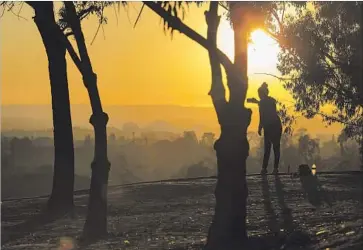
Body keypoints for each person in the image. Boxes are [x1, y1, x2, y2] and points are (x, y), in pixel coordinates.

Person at [257, 82, 282, 175]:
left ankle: (264, 168)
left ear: (262, 93)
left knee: (267, 148)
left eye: (259, 94)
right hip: (276, 125)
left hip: (270, 126)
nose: (258, 95)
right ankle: (275, 168)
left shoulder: (262, 102)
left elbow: (262, 116)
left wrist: (259, 128)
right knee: (276, 147)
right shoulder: (271, 100)